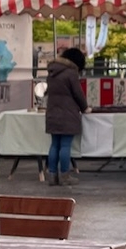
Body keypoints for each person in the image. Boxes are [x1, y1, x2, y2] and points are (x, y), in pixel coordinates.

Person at [45, 46, 88, 186]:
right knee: (65, 145)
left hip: (52, 113)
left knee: (54, 145)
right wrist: (85, 108)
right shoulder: (71, 73)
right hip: (68, 114)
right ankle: (65, 175)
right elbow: (78, 94)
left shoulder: (51, 72)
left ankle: (52, 175)